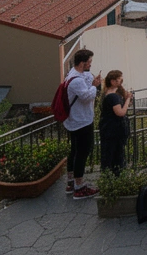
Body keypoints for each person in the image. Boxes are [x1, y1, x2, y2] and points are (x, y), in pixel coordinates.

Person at [63, 49, 99, 199]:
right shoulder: (76, 80)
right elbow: (86, 96)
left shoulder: (72, 74)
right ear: (83, 63)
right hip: (81, 121)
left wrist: (91, 81)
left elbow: (85, 80)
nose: (90, 64)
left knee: (75, 151)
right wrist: (95, 85)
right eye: (89, 62)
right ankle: (79, 186)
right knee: (83, 152)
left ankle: (71, 182)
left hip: (74, 120)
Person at [98, 69, 133, 174]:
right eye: (119, 80)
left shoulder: (107, 93)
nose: (121, 82)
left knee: (109, 153)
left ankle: (109, 174)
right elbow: (120, 112)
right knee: (116, 154)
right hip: (114, 130)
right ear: (113, 81)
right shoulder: (113, 96)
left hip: (109, 128)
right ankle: (115, 174)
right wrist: (127, 100)